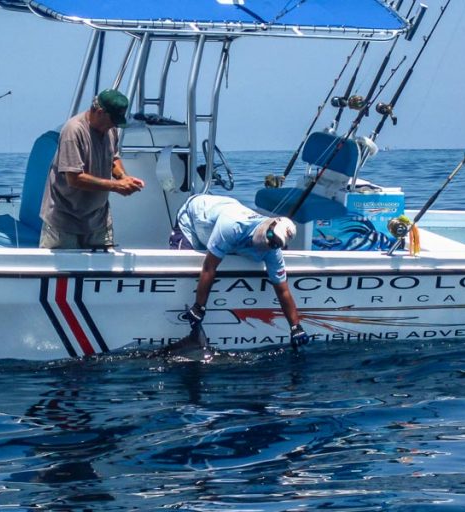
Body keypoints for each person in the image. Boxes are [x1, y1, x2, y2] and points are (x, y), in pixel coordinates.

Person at [173, 194, 310, 348]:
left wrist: (295, 327)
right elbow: (209, 268)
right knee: (185, 262)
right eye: (271, 235)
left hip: (216, 228)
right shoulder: (233, 226)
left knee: (219, 251)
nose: (270, 242)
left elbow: (283, 290)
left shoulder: (272, 251)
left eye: (276, 243)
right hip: (196, 216)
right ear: (270, 224)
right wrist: (199, 307)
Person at [39, 89, 145, 249]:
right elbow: (74, 179)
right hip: (64, 220)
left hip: (98, 220)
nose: (113, 126)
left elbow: (113, 158)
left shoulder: (111, 129)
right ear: (100, 112)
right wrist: (116, 186)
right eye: (112, 120)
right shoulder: (73, 131)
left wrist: (123, 177)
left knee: (103, 270)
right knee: (64, 271)